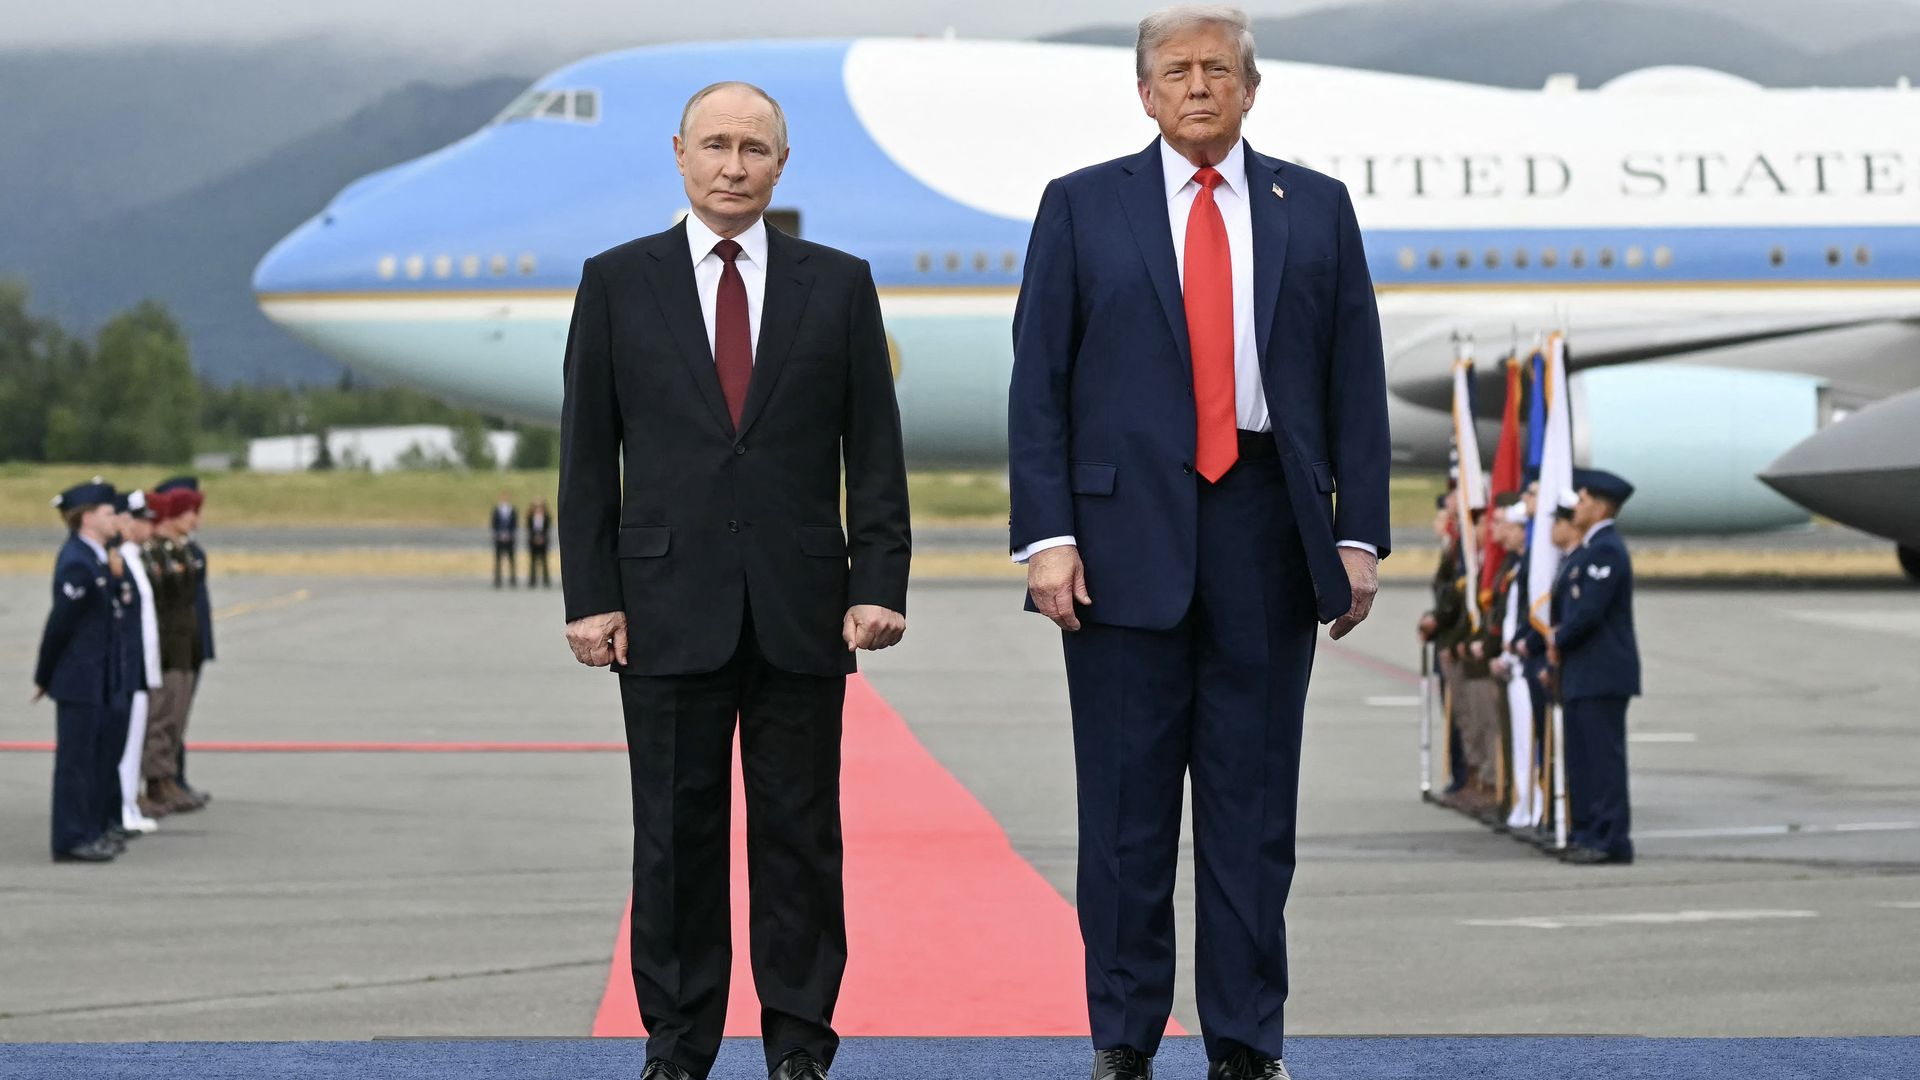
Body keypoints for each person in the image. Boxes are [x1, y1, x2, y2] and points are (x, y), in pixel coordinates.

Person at [1006, 7, 1390, 1077]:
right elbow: (1038, 383)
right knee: (1124, 817)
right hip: (1118, 544)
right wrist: (1047, 537)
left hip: (1267, 533)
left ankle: (1246, 1043)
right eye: (1175, 71)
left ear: (1251, 88)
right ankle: (1124, 1039)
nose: (1198, 86)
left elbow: (1354, 378)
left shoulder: (1316, 207)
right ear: (1145, 94)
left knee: (1253, 815)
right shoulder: (1082, 205)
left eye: (1219, 68)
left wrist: (1358, 534)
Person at [558, 80, 911, 1080]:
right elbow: (587, 455)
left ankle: (799, 1043)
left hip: (804, 608)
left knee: (800, 836)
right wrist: (591, 595)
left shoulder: (837, 284)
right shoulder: (616, 282)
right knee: (675, 836)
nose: (733, 165)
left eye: (754, 148)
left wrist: (880, 579)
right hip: (664, 606)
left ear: (781, 165)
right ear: (679, 154)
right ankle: (677, 1044)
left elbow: (873, 450)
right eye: (715, 144)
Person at [1549, 468, 1640, 866]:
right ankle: (1586, 832)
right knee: (1583, 760)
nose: (1576, 507)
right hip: (1582, 672)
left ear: (1600, 508)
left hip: (1602, 672)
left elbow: (1589, 612)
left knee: (1603, 761)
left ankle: (1610, 839)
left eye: (1583, 501)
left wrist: (1557, 639)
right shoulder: (1589, 550)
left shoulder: (1606, 550)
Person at [32, 480, 125, 863]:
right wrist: (44, 675)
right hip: (78, 678)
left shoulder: (96, 557)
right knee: (76, 763)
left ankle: (89, 830)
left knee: (92, 760)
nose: (115, 519)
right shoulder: (76, 560)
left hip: (96, 675)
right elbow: (61, 625)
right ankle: (70, 839)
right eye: (108, 513)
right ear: (86, 518)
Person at [141, 489, 207, 816]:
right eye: (189, 512)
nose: (195, 519)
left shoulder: (179, 551)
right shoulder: (151, 553)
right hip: (165, 648)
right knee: (160, 717)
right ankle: (155, 780)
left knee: (174, 717)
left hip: (182, 647)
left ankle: (165, 776)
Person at [111, 491, 164, 837]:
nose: (135, 525)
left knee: (133, 743)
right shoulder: (119, 560)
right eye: (129, 518)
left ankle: (128, 805)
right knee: (124, 745)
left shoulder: (131, 558)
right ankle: (122, 808)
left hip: (141, 666)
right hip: (129, 667)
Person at [492, 492, 518, 588]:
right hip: (499, 538)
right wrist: (499, 534)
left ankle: (512, 579)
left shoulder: (512, 510)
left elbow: (514, 524)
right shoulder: (496, 510)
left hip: (510, 538)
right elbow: (494, 523)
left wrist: (510, 534)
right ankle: (498, 579)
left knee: (511, 560)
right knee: (498, 560)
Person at [526, 498, 553, 588]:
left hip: (543, 542)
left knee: (544, 561)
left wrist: (542, 538)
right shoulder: (530, 517)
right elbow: (529, 529)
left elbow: (547, 529)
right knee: (533, 562)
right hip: (533, 542)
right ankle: (532, 580)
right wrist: (534, 538)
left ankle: (546, 580)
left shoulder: (546, 517)